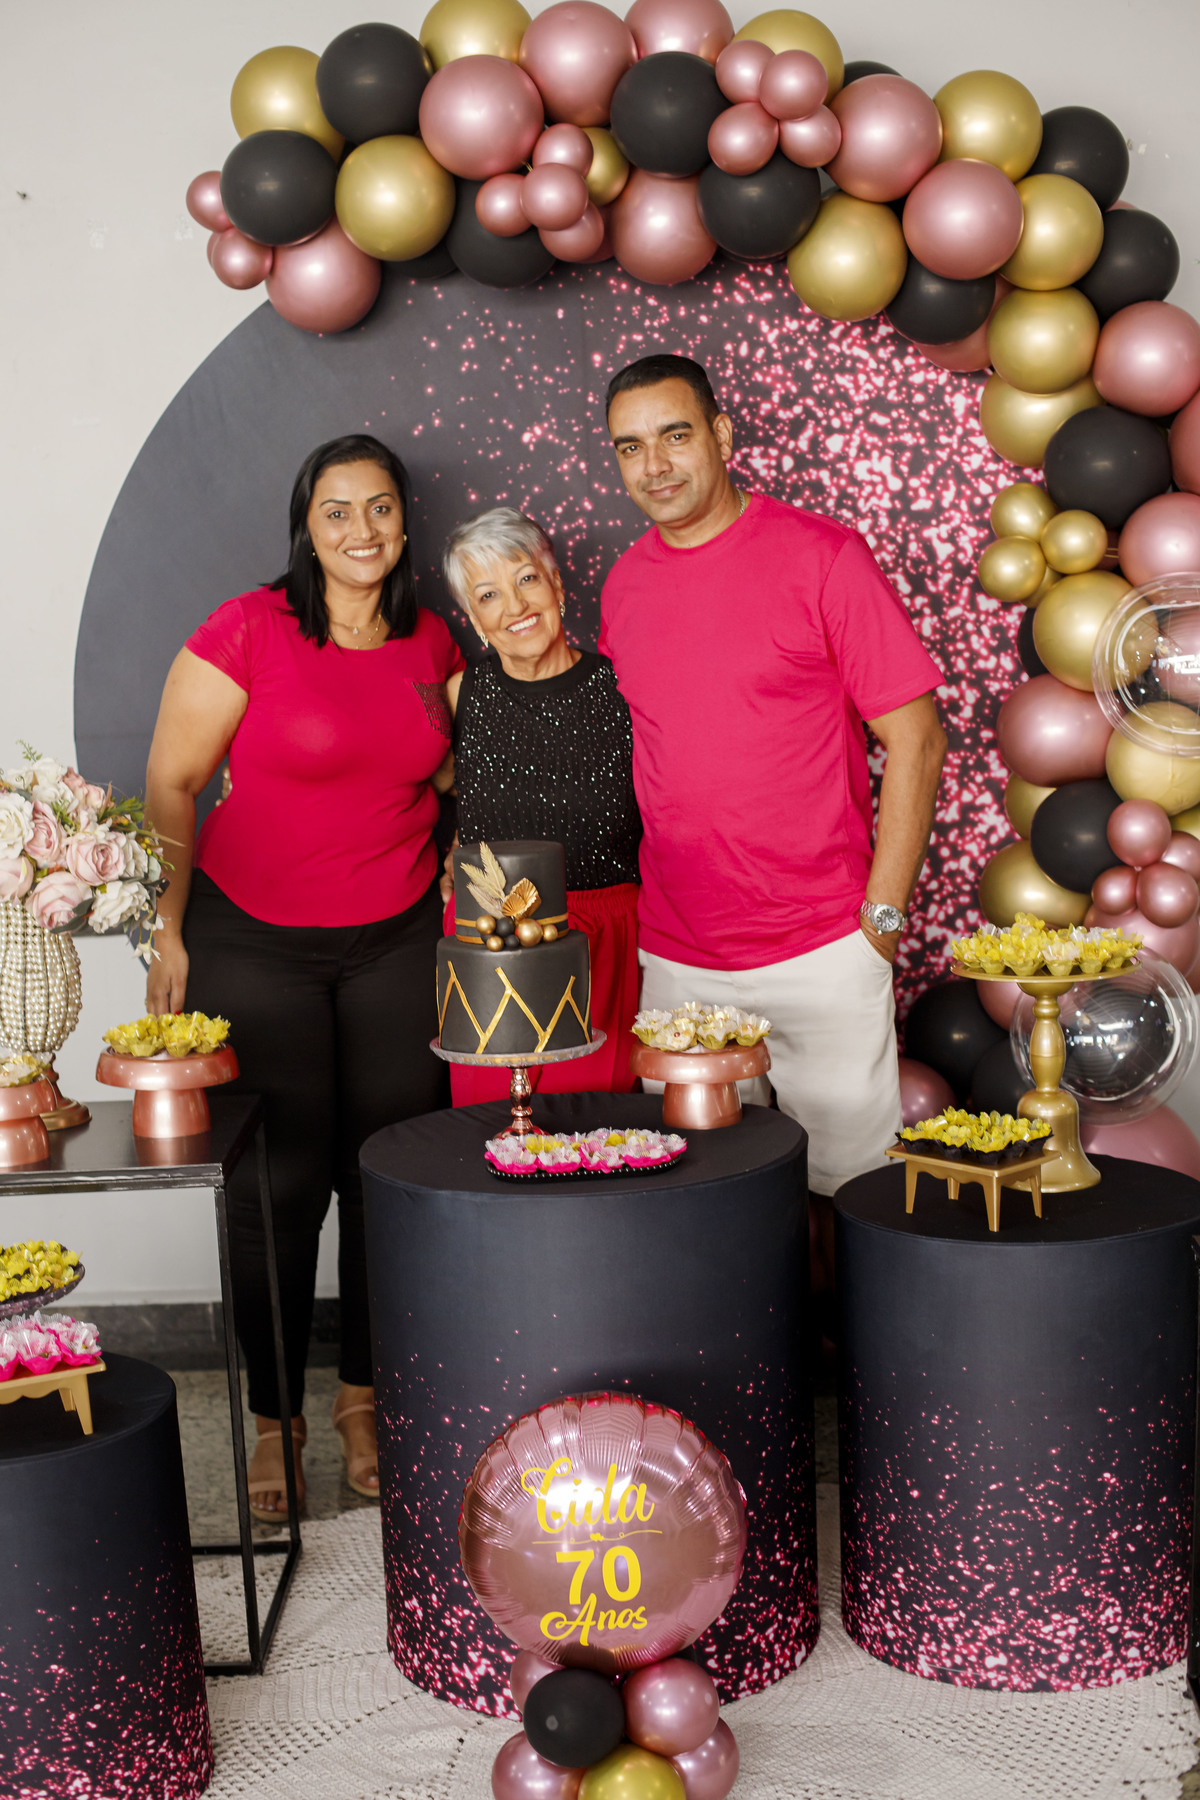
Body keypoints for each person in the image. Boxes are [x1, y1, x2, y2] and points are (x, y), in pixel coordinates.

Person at [145, 433, 461, 1519]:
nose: (361, 530)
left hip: (397, 940)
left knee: (385, 1178)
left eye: (380, 508)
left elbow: (459, 773)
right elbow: (173, 782)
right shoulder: (249, 627)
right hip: (254, 938)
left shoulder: (432, 640)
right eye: (337, 511)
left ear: (403, 522)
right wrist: (167, 929)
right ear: (307, 526)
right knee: (275, 1189)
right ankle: (274, 1419)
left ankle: (362, 1402)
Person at [600, 354, 946, 1255]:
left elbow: (917, 739)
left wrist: (880, 925)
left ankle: (862, 1355)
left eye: (675, 435)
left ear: (720, 434)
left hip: (824, 945)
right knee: (701, 1211)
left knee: (856, 1204)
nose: (655, 465)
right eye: (630, 447)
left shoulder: (823, 558)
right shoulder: (624, 585)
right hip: (680, 958)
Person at [440, 506, 642, 1104]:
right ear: (473, 617)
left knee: (593, 1128)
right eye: (488, 595)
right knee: (491, 1128)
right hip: (488, 941)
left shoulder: (623, 688)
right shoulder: (461, 694)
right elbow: (407, 786)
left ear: (556, 584)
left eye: (526, 578)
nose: (515, 606)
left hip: (604, 937)